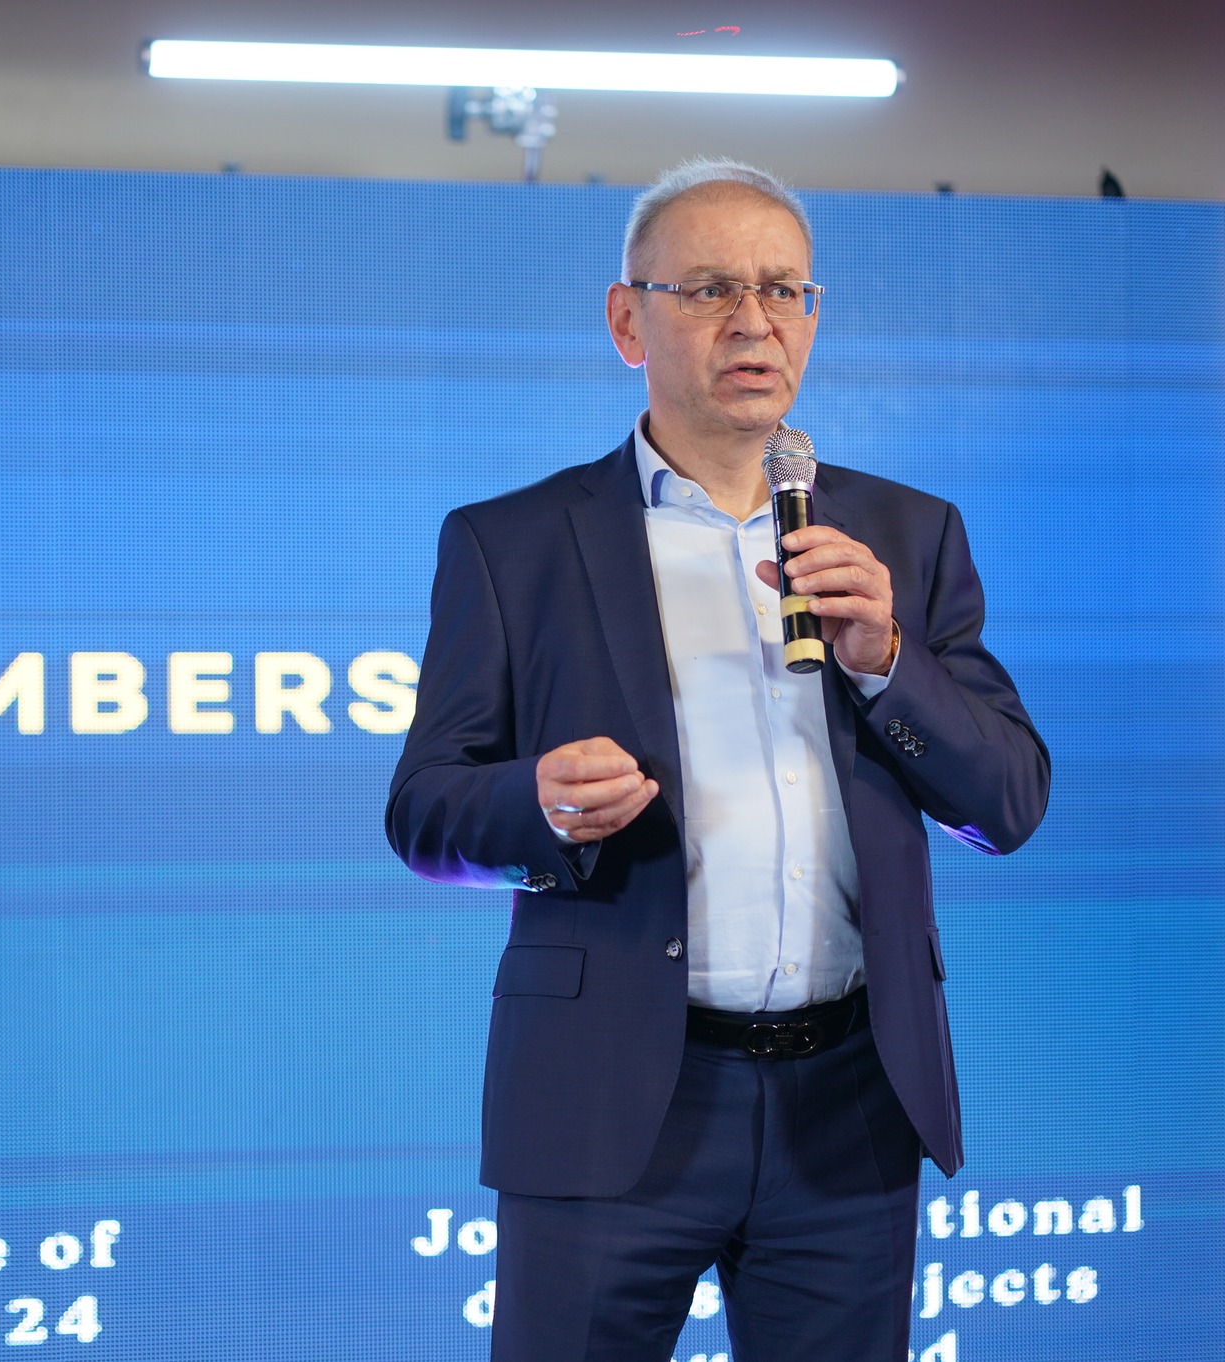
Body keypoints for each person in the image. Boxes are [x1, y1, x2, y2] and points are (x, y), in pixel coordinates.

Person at [384, 158, 1050, 1361]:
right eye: (708, 289)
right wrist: (537, 805)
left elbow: (1005, 801)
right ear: (625, 320)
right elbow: (426, 809)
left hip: (849, 1103)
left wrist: (886, 662)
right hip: (610, 1091)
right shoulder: (512, 543)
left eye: (783, 290)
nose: (754, 321)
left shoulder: (905, 534)